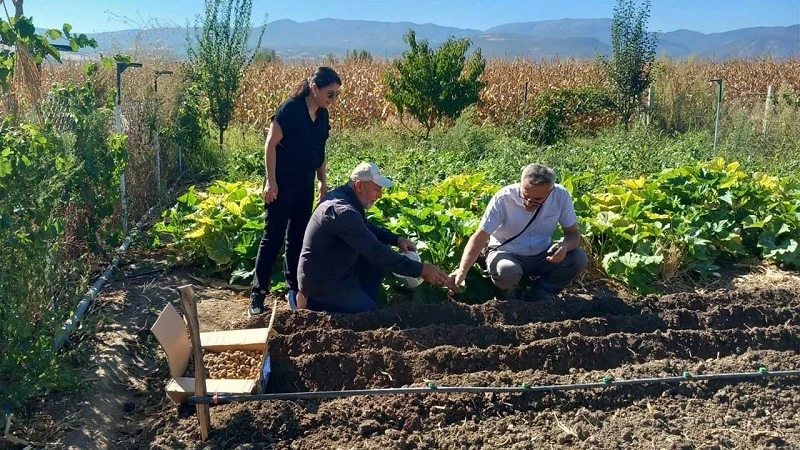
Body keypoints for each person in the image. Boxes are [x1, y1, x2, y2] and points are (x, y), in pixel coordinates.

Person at [297, 162, 457, 313]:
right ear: (359, 185)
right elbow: (375, 251)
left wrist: (396, 239)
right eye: (376, 189)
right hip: (322, 281)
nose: (379, 195)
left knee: (379, 262)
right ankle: (312, 303)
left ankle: (357, 298)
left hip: (336, 267)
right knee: (368, 314)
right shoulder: (341, 211)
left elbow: (365, 227)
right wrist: (421, 270)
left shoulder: (344, 197)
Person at [249, 67, 342, 316]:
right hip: (282, 183)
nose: (332, 100)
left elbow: (319, 152)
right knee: (273, 238)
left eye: (335, 95)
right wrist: (270, 182)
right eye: (330, 94)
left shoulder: (322, 117)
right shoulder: (290, 109)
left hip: (305, 184)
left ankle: (294, 290)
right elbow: (270, 144)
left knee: (298, 239)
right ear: (315, 88)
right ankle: (258, 295)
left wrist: (322, 181)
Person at [449, 163, 588, 301]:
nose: (528, 203)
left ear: (551, 191)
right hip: (506, 253)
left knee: (578, 258)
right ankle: (508, 297)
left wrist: (564, 247)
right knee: (506, 270)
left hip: (542, 254)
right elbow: (480, 237)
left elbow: (573, 234)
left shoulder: (561, 196)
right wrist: (462, 270)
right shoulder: (503, 198)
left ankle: (540, 293)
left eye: (537, 199)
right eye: (525, 195)